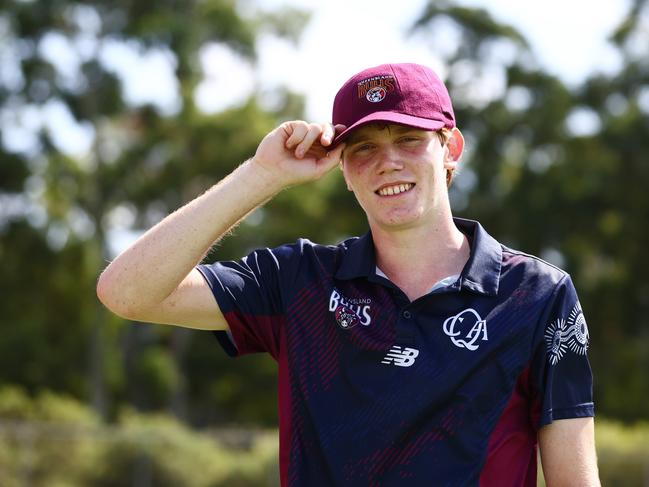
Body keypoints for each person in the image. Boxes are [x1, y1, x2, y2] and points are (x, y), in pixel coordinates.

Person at [97, 63, 600, 486]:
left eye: (409, 139)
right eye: (363, 147)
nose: (388, 162)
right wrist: (262, 174)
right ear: (340, 164)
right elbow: (127, 292)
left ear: (450, 149)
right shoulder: (301, 282)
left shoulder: (537, 295)